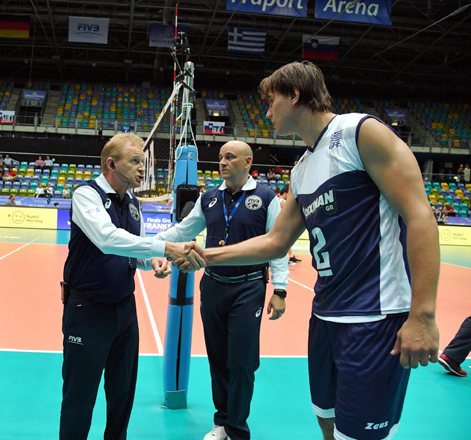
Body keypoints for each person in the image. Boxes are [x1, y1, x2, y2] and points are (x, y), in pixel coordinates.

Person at [185, 61, 440, 440]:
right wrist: (205, 255)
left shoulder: (360, 133)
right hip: (325, 315)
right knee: (327, 421)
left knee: (358, 434)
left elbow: (420, 216)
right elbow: (275, 242)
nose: (267, 112)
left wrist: (422, 315)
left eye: (272, 102)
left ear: (295, 95)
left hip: (374, 316)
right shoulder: (302, 169)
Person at [59, 132, 203, 440]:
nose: (142, 168)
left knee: (122, 395)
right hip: (86, 310)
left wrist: (150, 263)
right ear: (111, 164)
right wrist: (164, 249)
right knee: (79, 398)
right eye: (135, 161)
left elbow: (127, 253)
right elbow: (107, 239)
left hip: (124, 309)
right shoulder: (86, 195)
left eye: (143, 161)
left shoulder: (133, 202)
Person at [155, 140, 289, 440]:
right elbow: (182, 231)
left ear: (247, 161)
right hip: (213, 286)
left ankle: (237, 429)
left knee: (241, 362)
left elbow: (279, 247)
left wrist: (280, 290)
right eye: (220, 158)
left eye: (230, 157)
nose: (223, 162)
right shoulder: (209, 198)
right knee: (218, 358)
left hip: (249, 287)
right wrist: (156, 247)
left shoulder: (267, 198)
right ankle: (222, 421)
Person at [278, 187, 301, 265]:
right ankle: (285, 259)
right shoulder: (283, 202)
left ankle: (291, 256)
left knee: (285, 242)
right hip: (281, 225)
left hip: (274, 224)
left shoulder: (275, 199)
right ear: (285, 193)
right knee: (284, 242)